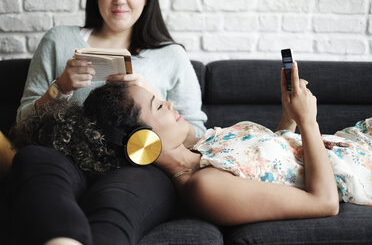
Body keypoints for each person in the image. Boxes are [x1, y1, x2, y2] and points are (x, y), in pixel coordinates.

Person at [11, 62, 372, 229]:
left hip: (355, 140)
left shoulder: (205, 145)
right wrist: (309, 120)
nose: (169, 104)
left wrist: (289, 116)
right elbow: (322, 203)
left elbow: (275, 161)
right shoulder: (204, 185)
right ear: (142, 144)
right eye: (158, 106)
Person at [11, 0, 207, 244]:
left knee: (119, 198)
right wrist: (60, 87)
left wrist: (151, 94)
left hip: (139, 168)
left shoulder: (171, 55)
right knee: (35, 159)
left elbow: (198, 136)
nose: (119, 0)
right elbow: (22, 124)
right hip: (69, 157)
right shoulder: (58, 40)